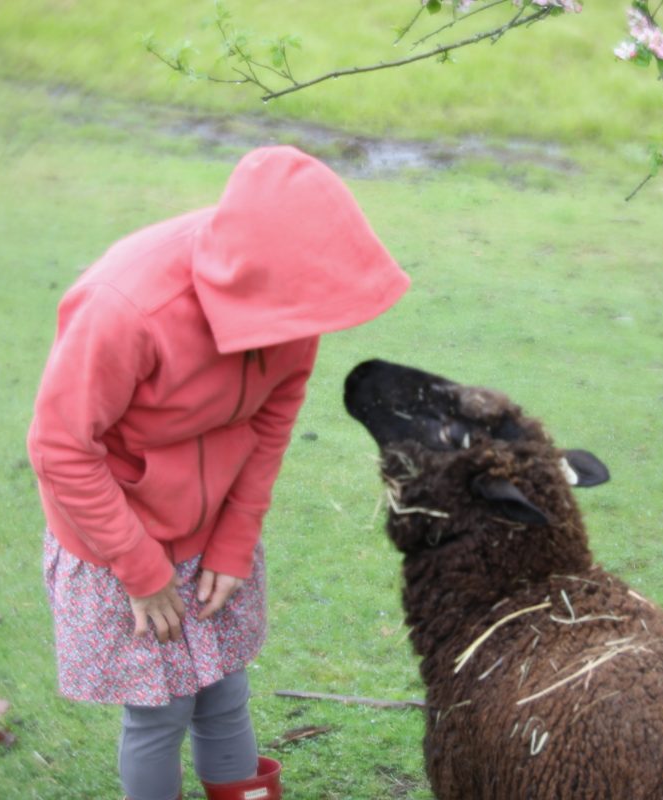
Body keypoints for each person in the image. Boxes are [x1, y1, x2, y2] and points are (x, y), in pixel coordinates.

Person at [27, 146, 410, 800]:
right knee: (160, 712)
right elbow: (60, 447)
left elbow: (270, 422)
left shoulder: (294, 298)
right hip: (124, 539)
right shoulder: (125, 308)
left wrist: (233, 544)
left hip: (210, 535)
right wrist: (142, 573)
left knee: (225, 692)